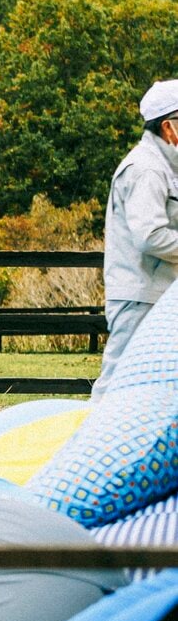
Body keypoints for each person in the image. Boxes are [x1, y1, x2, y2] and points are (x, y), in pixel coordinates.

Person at [92, 79, 178, 401]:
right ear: (169, 128)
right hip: (141, 294)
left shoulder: (166, 168)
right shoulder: (146, 170)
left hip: (159, 292)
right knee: (117, 379)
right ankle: (91, 443)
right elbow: (151, 236)